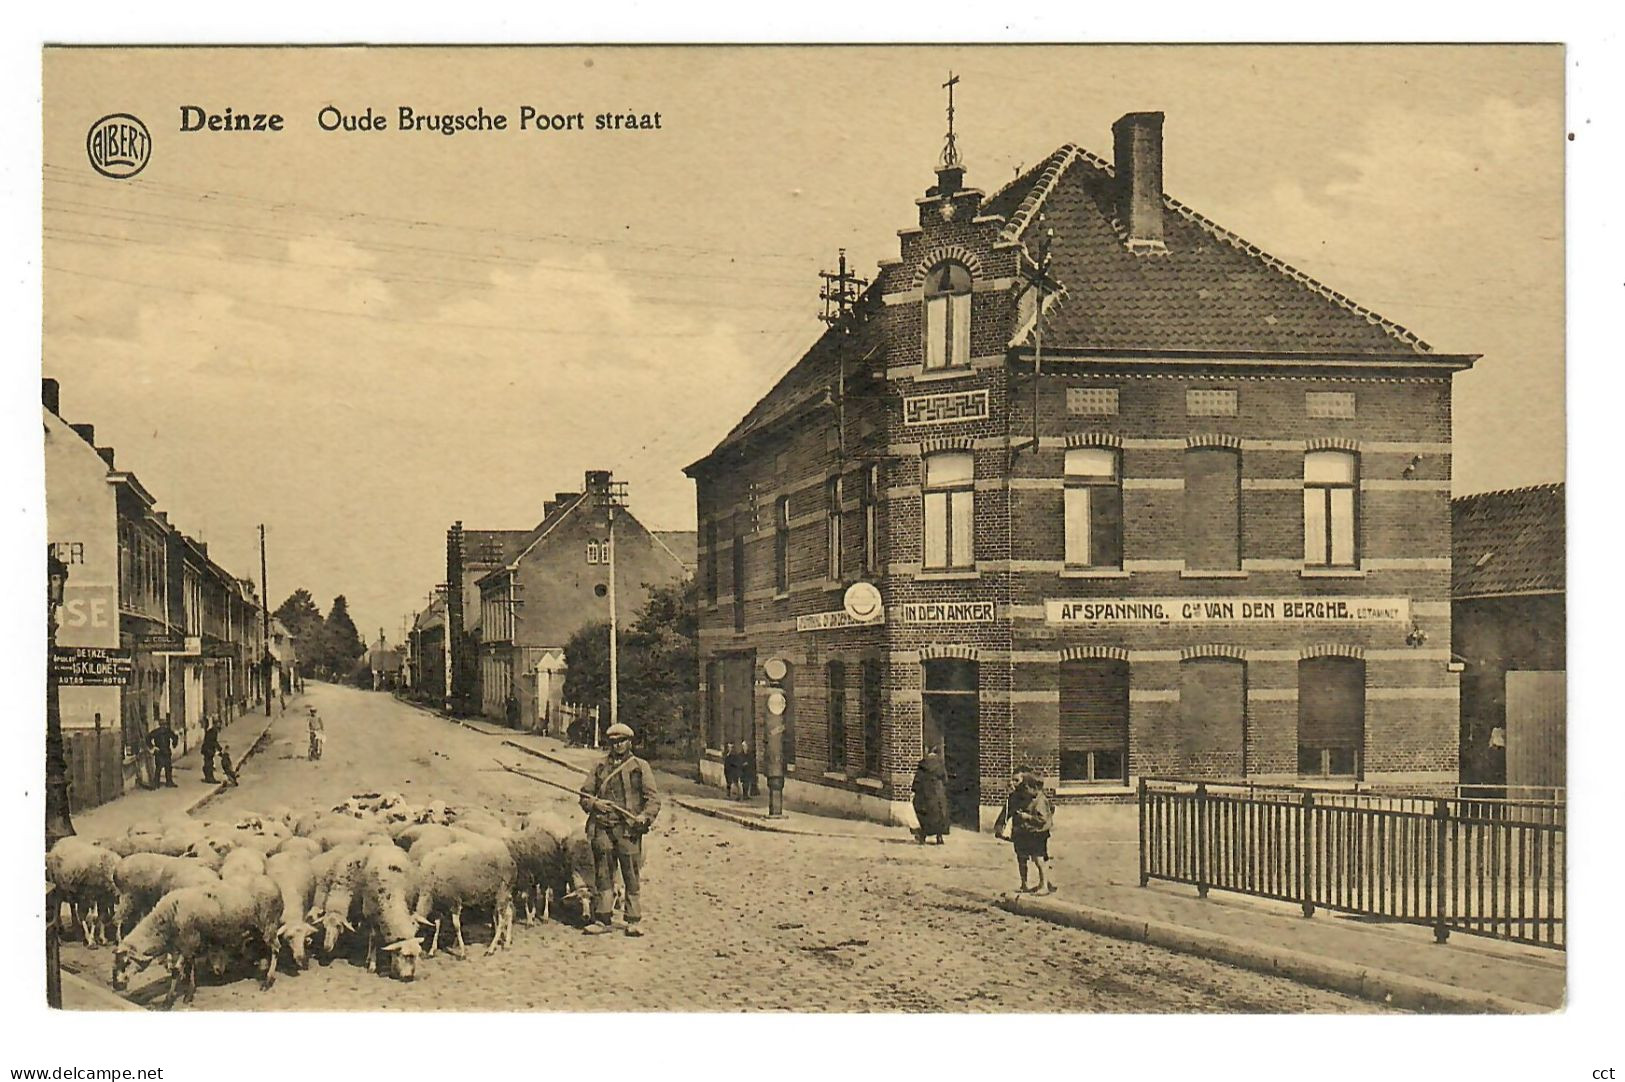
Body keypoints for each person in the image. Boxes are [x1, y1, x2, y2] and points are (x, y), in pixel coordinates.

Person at [578, 722, 662, 937]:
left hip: (628, 830)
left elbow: (653, 799)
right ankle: (603, 918)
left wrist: (645, 817)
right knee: (603, 872)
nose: (618, 745)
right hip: (603, 828)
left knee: (630, 874)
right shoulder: (599, 767)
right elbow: (585, 795)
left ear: (629, 742)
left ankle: (633, 919)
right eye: (614, 742)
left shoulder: (640, 766)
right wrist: (596, 804)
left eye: (622, 741)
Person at [994, 769, 1055, 894]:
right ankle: (1024, 884)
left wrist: (1030, 817)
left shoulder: (1037, 797)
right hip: (1021, 831)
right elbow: (1006, 812)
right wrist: (1000, 827)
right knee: (1021, 857)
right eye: (1012, 780)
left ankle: (1044, 884)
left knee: (1039, 857)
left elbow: (1047, 812)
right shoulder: (1014, 797)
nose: (1012, 783)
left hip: (1036, 832)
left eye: (1016, 780)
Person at [911, 745, 951, 844]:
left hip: (925, 792)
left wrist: (915, 790)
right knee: (940, 814)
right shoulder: (940, 764)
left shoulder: (922, 764)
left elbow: (917, 780)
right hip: (937, 791)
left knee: (924, 813)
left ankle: (923, 836)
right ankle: (939, 837)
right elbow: (945, 779)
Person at [147, 720, 179, 788]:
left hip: (164, 752)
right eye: (162, 725)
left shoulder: (164, 731)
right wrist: (153, 747)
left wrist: (174, 744)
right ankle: (158, 783)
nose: (163, 727)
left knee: (167, 768)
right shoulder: (160, 732)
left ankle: (166, 782)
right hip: (161, 752)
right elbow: (148, 738)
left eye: (164, 725)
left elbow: (175, 737)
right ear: (160, 725)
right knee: (160, 768)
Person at [200, 716, 221, 783]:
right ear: (215, 724)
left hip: (208, 749)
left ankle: (208, 777)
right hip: (208, 749)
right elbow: (213, 741)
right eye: (218, 723)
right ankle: (210, 778)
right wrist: (218, 748)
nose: (219, 725)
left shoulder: (212, 731)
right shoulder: (213, 731)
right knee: (209, 764)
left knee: (208, 763)